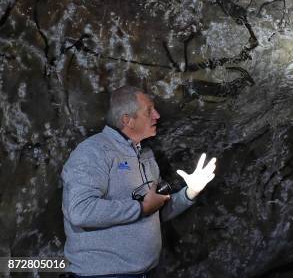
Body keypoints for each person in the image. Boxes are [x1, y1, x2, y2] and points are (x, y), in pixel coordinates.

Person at [61, 85, 216, 277]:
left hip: (146, 273)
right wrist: (140, 208)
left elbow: (155, 212)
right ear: (128, 120)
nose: (157, 115)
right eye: (149, 111)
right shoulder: (93, 152)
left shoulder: (146, 156)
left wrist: (190, 192)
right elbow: (81, 211)